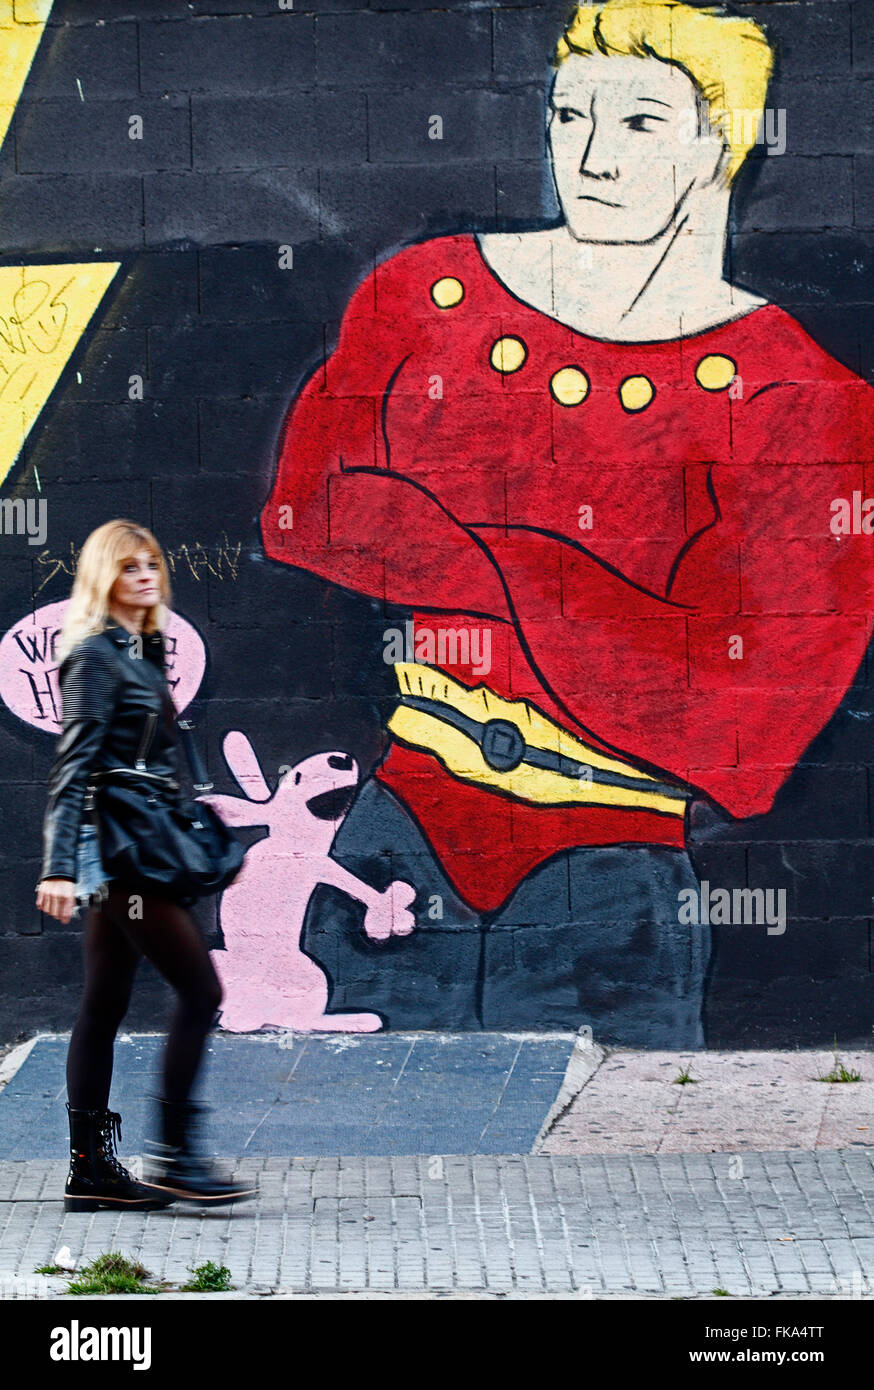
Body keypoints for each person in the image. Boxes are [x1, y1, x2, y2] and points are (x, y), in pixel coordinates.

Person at [260, 0, 874, 1042]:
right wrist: (601, 603)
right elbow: (306, 509)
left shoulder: (795, 396)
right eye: (568, 114)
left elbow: (737, 719)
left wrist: (474, 559)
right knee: (362, 1148)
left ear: (720, 145)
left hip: (614, 876)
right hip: (398, 843)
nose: (590, 157)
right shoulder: (430, 292)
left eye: (639, 122)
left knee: (622, 1167)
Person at [36, 519, 256, 1211]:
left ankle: (91, 1171)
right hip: (124, 861)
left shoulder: (143, 651)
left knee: (103, 1003)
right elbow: (75, 767)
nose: (146, 576)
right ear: (105, 578)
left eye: (153, 565)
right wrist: (58, 868)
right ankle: (174, 1155)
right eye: (130, 567)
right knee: (202, 994)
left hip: (136, 850)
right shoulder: (95, 657)